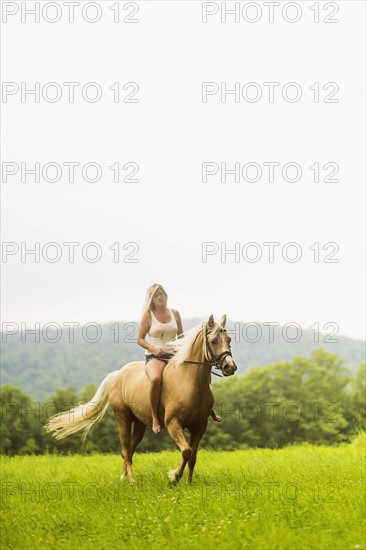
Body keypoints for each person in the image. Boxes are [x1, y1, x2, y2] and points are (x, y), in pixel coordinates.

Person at [137, 283, 222, 433]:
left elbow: (181, 336)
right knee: (156, 379)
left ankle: (209, 409)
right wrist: (153, 349)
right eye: (156, 295)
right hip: (155, 356)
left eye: (161, 293)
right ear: (151, 299)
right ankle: (155, 417)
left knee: (201, 372)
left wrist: (180, 347)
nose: (159, 297)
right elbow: (140, 339)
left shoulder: (175, 313)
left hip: (175, 355)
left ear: (165, 295)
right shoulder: (147, 316)